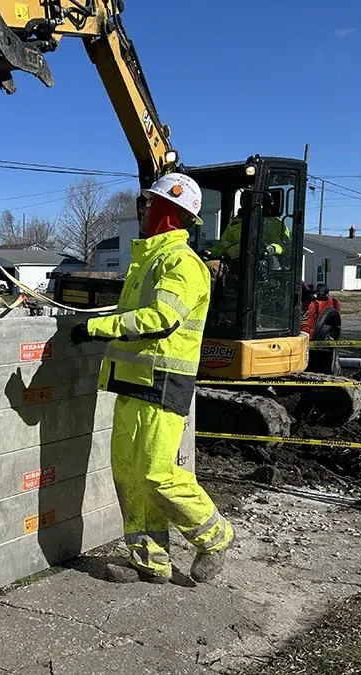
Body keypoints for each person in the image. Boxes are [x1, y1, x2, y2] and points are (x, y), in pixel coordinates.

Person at [70, 173, 235, 584]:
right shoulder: (148, 261)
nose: (142, 209)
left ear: (171, 212)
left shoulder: (182, 263)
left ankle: (215, 536)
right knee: (128, 472)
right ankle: (149, 561)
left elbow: (161, 321)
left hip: (162, 386)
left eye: (150, 203)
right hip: (132, 383)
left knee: (157, 474)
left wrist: (93, 330)